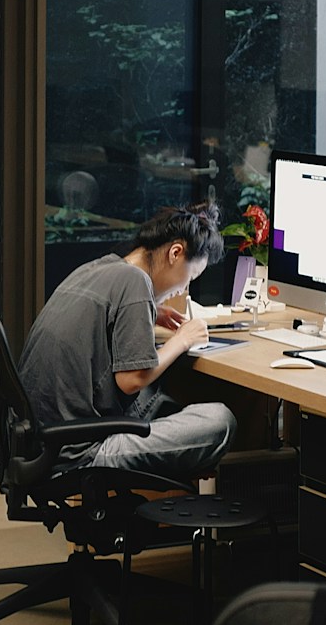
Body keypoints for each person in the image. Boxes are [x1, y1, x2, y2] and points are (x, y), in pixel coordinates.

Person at [18, 201, 237, 481]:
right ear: (175, 252)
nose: (184, 288)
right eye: (190, 276)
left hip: (43, 442)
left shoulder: (101, 267)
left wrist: (150, 311)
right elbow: (131, 379)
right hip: (81, 453)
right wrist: (182, 339)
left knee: (164, 398)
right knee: (221, 421)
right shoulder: (136, 283)